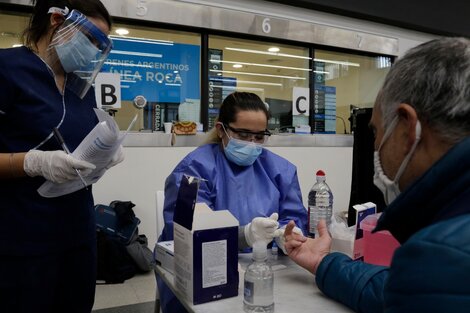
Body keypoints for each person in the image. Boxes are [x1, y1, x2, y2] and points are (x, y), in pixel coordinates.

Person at [284, 37, 470, 313]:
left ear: (408, 129)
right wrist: (324, 262)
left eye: (377, 131)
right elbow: (400, 291)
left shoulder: (440, 255)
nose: (375, 145)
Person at [0, 1, 123, 312]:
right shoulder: (7, 69)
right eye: (90, 39)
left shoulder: (80, 85)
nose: (93, 50)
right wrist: (32, 162)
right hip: (20, 239)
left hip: (77, 234)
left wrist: (106, 150)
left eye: (100, 44)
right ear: (56, 20)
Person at [157, 91, 307, 313]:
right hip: (202, 276)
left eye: (259, 136)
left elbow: (294, 216)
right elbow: (187, 235)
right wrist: (244, 235)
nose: (253, 144)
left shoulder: (280, 170)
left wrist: (287, 235)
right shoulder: (194, 170)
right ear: (221, 130)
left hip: (265, 270)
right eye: (244, 135)